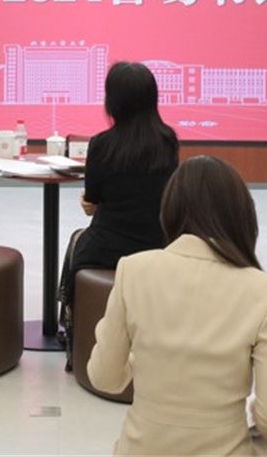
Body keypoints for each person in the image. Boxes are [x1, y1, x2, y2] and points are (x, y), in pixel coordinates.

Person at [87, 156, 267, 456]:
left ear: (169, 211)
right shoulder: (266, 292)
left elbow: (105, 378)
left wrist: (138, 353)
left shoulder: (132, 271)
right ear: (242, 215)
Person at [58, 61, 180, 359]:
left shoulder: (102, 144)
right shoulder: (167, 141)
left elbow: (92, 202)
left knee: (77, 240)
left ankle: (70, 330)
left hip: (109, 247)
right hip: (157, 244)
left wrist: (90, 203)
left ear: (113, 101)